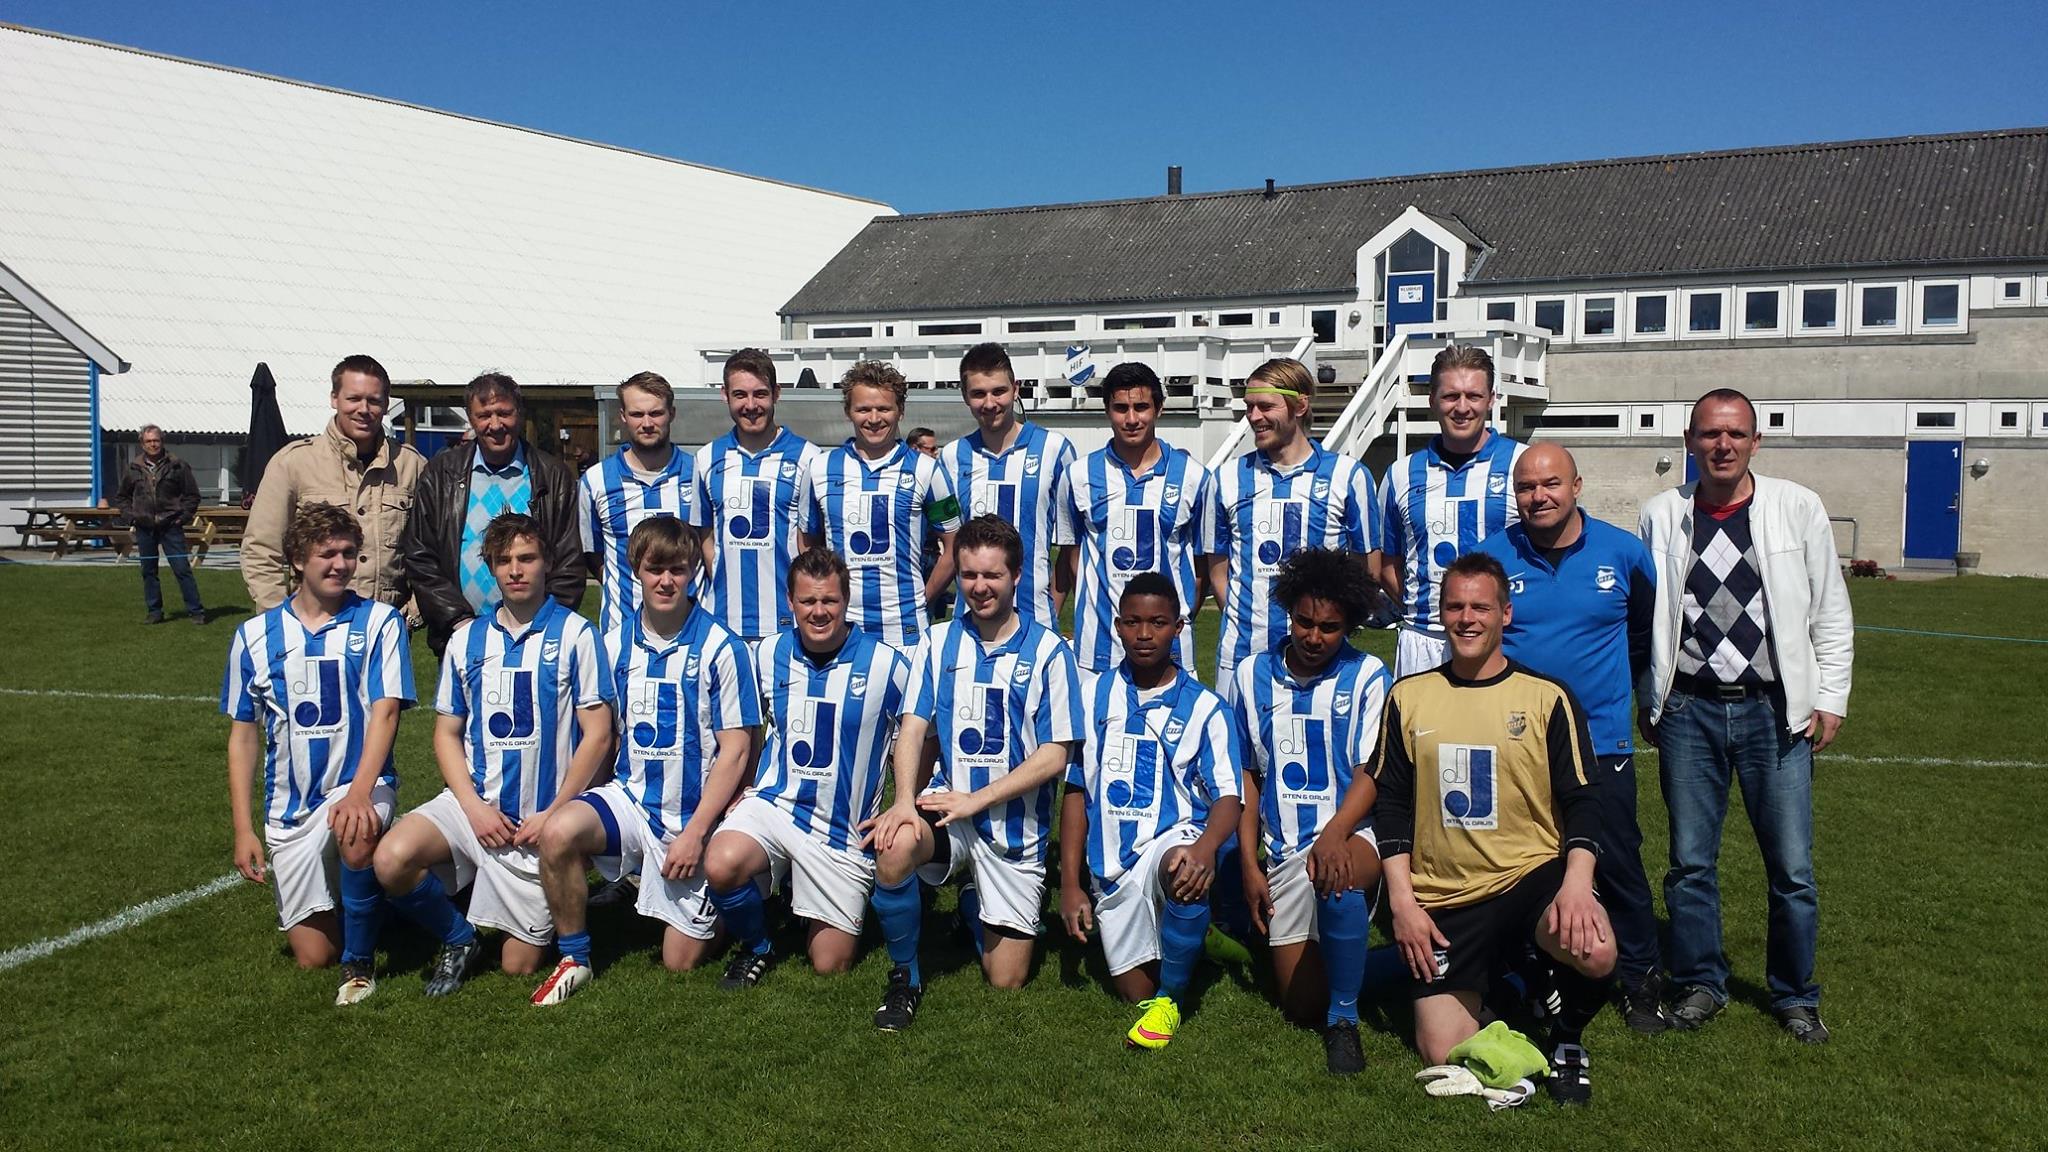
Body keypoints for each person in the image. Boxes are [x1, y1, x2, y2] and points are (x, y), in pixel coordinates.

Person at [1638, 388, 1852, 1044]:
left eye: (1735, 433)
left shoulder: (1797, 507)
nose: (1722, 445)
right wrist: (1651, 696)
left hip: (1773, 713)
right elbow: (1649, 618)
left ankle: (1795, 995)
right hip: (1688, 711)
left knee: (1791, 870)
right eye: (1709, 433)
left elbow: (1830, 610)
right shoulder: (1661, 514)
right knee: (1689, 863)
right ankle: (1700, 982)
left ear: (1756, 441)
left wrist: (1830, 698)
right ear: (1689, 441)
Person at [1370, 552, 1614, 1105]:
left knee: (1595, 948)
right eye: (1454, 607)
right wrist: (1403, 904)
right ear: (1441, 613)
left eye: (1480, 607)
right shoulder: (1408, 697)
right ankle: (1518, 983)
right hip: (1447, 893)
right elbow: (1391, 806)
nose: (1466, 619)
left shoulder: (1547, 697)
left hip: (1530, 876)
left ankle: (1567, 1039)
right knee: (1441, 1050)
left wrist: (1578, 884)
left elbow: (1583, 801)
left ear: (1505, 613)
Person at [372, 513, 613, 997]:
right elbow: (446, 733)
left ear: (547, 563)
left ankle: (512, 900)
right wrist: (473, 807)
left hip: (538, 821)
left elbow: (599, 735)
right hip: (476, 808)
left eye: (526, 558)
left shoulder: (577, 634)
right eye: (504, 561)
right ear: (490, 569)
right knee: (391, 859)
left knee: (518, 966)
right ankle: (459, 937)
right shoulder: (466, 639)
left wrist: (557, 811)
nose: (515, 570)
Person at [1473, 444, 1667, 1033]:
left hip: (1601, 743)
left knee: (1617, 862)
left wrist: (1625, 696)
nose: (1539, 496)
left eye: (1551, 484)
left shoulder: (1624, 552)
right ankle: (1529, 973)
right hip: (1517, 744)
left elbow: (1645, 634)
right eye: (1527, 487)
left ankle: (1640, 979)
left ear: (1577, 486)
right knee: (1521, 865)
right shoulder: (1492, 556)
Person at [865, 515, 1082, 1030]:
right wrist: (903, 801)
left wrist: (977, 799)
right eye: (968, 575)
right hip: (950, 810)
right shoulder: (938, 642)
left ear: (1016, 575)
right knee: (894, 845)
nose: (979, 587)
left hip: (1014, 830)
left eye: (992, 575)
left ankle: (970, 903)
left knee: (1005, 979)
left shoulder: (1050, 651)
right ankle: (905, 978)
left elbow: (1056, 754)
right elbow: (913, 728)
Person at [530, 517, 759, 1003]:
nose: (666, 581)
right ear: (636, 569)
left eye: (678, 569)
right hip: (632, 801)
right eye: (656, 569)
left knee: (679, 960)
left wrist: (698, 832)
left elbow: (737, 748)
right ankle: (574, 957)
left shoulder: (722, 646)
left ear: (693, 571)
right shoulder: (612, 644)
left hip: (693, 815)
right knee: (559, 832)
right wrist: (569, 809)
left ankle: (732, 895)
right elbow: (603, 737)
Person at [222, 503, 413, 1004]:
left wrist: (360, 792)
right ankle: (394, 899)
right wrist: (243, 829)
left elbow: (386, 712)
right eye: (327, 553)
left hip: (361, 785)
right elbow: (243, 735)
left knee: (356, 828)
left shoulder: (380, 621)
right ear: (297, 559)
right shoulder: (254, 637)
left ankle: (362, 958)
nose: (340, 564)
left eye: (349, 553)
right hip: (290, 810)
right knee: (313, 956)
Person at [700, 548, 912, 987]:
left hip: (841, 829)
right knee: (720, 862)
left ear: (846, 600)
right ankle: (758, 946)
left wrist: (905, 801)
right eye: (808, 601)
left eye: (829, 600)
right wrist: (744, 785)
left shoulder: (887, 665)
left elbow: (920, 736)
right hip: (775, 806)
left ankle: (798, 892)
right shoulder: (766, 653)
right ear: (790, 602)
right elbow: (750, 727)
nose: (818, 611)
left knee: (829, 963)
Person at [1059, 573, 1241, 1050]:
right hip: (1112, 869)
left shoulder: (1206, 707)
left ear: (1178, 628)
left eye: (1158, 623)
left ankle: (1170, 1001)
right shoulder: (1091, 696)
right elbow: (1076, 791)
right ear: (1117, 626)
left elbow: (1229, 797)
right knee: (1132, 992)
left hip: (1170, 840)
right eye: (1133, 622)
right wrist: (1071, 883)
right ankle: (1201, 937)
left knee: (1183, 867)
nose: (1144, 634)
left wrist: (1205, 847)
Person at [1233, 548, 1392, 1075]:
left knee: (1336, 873)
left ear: (1349, 625)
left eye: (1330, 627)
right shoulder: (1250, 674)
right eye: (1304, 622)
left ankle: (1344, 1022)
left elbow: (1370, 771)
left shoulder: (1368, 674)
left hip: (1351, 835)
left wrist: (1335, 833)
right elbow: (1247, 776)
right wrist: (1250, 865)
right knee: (1301, 1004)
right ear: (1289, 612)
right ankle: (1419, 963)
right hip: (1283, 850)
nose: (1314, 636)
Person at [1204, 358, 1378, 705]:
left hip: (1320, 658)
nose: (1254, 416)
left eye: (1265, 406)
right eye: (1249, 406)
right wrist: (1246, 621)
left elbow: (1366, 570)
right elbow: (1218, 571)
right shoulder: (1225, 479)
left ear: (1300, 405)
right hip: (1241, 655)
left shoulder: (1348, 477)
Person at [402, 373, 584, 656]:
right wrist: (458, 621)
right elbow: (419, 556)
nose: (496, 425)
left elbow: (569, 562)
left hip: (534, 640)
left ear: (519, 413)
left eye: (504, 413)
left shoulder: (553, 476)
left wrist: (544, 627)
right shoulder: (440, 474)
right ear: (470, 418)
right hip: (460, 637)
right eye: (484, 415)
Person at [1378, 345, 1526, 677]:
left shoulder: (1521, 464)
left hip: (1502, 639)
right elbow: (1388, 563)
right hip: (1423, 641)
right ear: (1432, 400)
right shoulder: (1400, 474)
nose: (1462, 407)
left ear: (1491, 399)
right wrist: (1425, 609)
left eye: (1473, 396)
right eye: (1450, 396)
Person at [1058, 362, 1213, 674]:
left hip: (1172, 654)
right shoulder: (1078, 475)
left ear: (1159, 408)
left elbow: (1202, 566)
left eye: (1141, 407)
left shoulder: (1194, 477)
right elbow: (1071, 556)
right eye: (1121, 408)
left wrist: (1173, 618)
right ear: (1107, 410)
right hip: (1096, 653)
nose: (1131, 419)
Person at [242, 355, 426, 612]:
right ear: (334, 399)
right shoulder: (294, 463)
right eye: (353, 398)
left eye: (374, 400)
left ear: (386, 405)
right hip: (314, 622)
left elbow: (433, 552)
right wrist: (279, 618)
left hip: (386, 623)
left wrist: (413, 612)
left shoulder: (412, 466)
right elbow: (261, 549)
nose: (363, 409)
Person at [806, 361, 961, 647]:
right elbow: (808, 543)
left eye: (884, 409)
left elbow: (955, 543)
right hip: (841, 626)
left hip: (905, 630)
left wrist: (922, 598)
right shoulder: (819, 469)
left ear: (901, 410)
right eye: (863, 409)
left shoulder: (927, 470)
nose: (874, 419)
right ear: (848, 411)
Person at [692, 348, 822, 644]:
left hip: (788, 622)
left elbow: (812, 543)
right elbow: (705, 536)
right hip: (724, 620)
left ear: (776, 393)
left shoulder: (809, 458)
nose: (750, 405)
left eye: (760, 394)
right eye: (740, 395)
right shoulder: (706, 458)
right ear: (724, 395)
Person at [940, 343, 1076, 625]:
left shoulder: (1055, 449)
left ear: (1015, 389)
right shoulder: (951, 457)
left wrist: (1051, 607)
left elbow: (1071, 544)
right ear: (965, 396)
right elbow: (946, 540)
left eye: (999, 391)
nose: (990, 404)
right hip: (969, 619)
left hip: (1035, 617)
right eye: (978, 393)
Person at [578, 371, 695, 635]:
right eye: (637, 414)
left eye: (656, 413)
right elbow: (592, 554)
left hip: (689, 630)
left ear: (672, 414)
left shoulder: (699, 475)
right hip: (621, 631)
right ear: (623, 416)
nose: (647, 423)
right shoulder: (596, 481)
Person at [115, 423, 206, 624]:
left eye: (156, 440)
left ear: (162, 441)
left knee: (181, 569)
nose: (153, 444)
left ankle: (196, 611)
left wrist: (182, 517)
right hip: (145, 526)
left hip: (171, 525)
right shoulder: (133, 468)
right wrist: (131, 517)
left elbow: (192, 496)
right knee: (148, 570)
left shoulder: (177, 465)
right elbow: (122, 497)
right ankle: (154, 611)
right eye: (148, 441)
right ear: (142, 443)